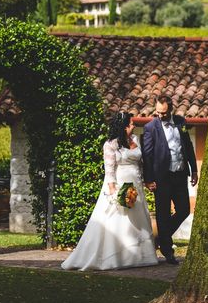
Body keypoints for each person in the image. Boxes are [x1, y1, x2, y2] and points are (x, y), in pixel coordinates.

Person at [61, 112, 158, 271]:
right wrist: (114, 192)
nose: (134, 125)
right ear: (124, 125)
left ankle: (139, 256)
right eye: (131, 123)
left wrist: (145, 182)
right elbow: (110, 171)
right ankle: (117, 257)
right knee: (120, 221)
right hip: (121, 185)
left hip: (137, 185)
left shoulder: (135, 140)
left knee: (138, 220)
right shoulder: (110, 144)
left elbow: (141, 164)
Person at [142, 95, 198, 265]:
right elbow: (147, 155)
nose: (160, 116)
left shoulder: (181, 122)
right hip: (161, 178)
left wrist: (194, 169)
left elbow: (188, 146)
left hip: (180, 175)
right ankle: (168, 251)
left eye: (164, 113)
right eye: (158, 113)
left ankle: (161, 236)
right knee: (163, 214)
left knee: (184, 210)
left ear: (171, 109)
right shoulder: (151, 127)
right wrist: (148, 179)